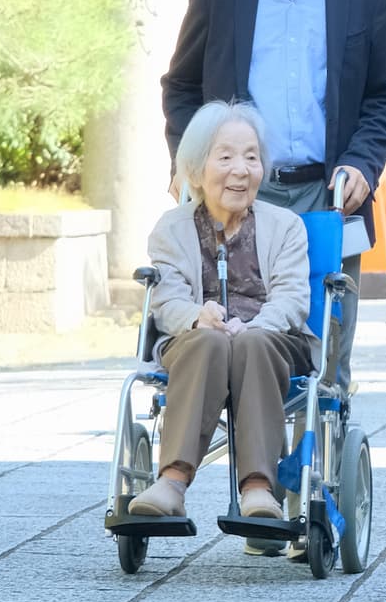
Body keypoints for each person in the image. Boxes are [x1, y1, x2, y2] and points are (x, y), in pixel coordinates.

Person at [162, 0, 386, 400]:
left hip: (328, 192)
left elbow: (385, 93)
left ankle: (317, 471)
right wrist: (187, 160)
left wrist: (364, 162)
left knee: (326, 345)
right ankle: (256, 469)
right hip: (238, 191)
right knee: (237, 328)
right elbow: (179, 86)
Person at [128, 101, 313, 522]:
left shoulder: (285, 226)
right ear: (195, 168)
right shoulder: (170, 229)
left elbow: (291, 299)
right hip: (196, 345)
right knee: (209, 340)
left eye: (251, 157)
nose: (241, 169)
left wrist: (254, 326)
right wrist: (198, 316)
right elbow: (168, 300)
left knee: (252, 343)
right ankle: (171, 481)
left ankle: (259, 488)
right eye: (225, 156)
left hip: (272, 345)